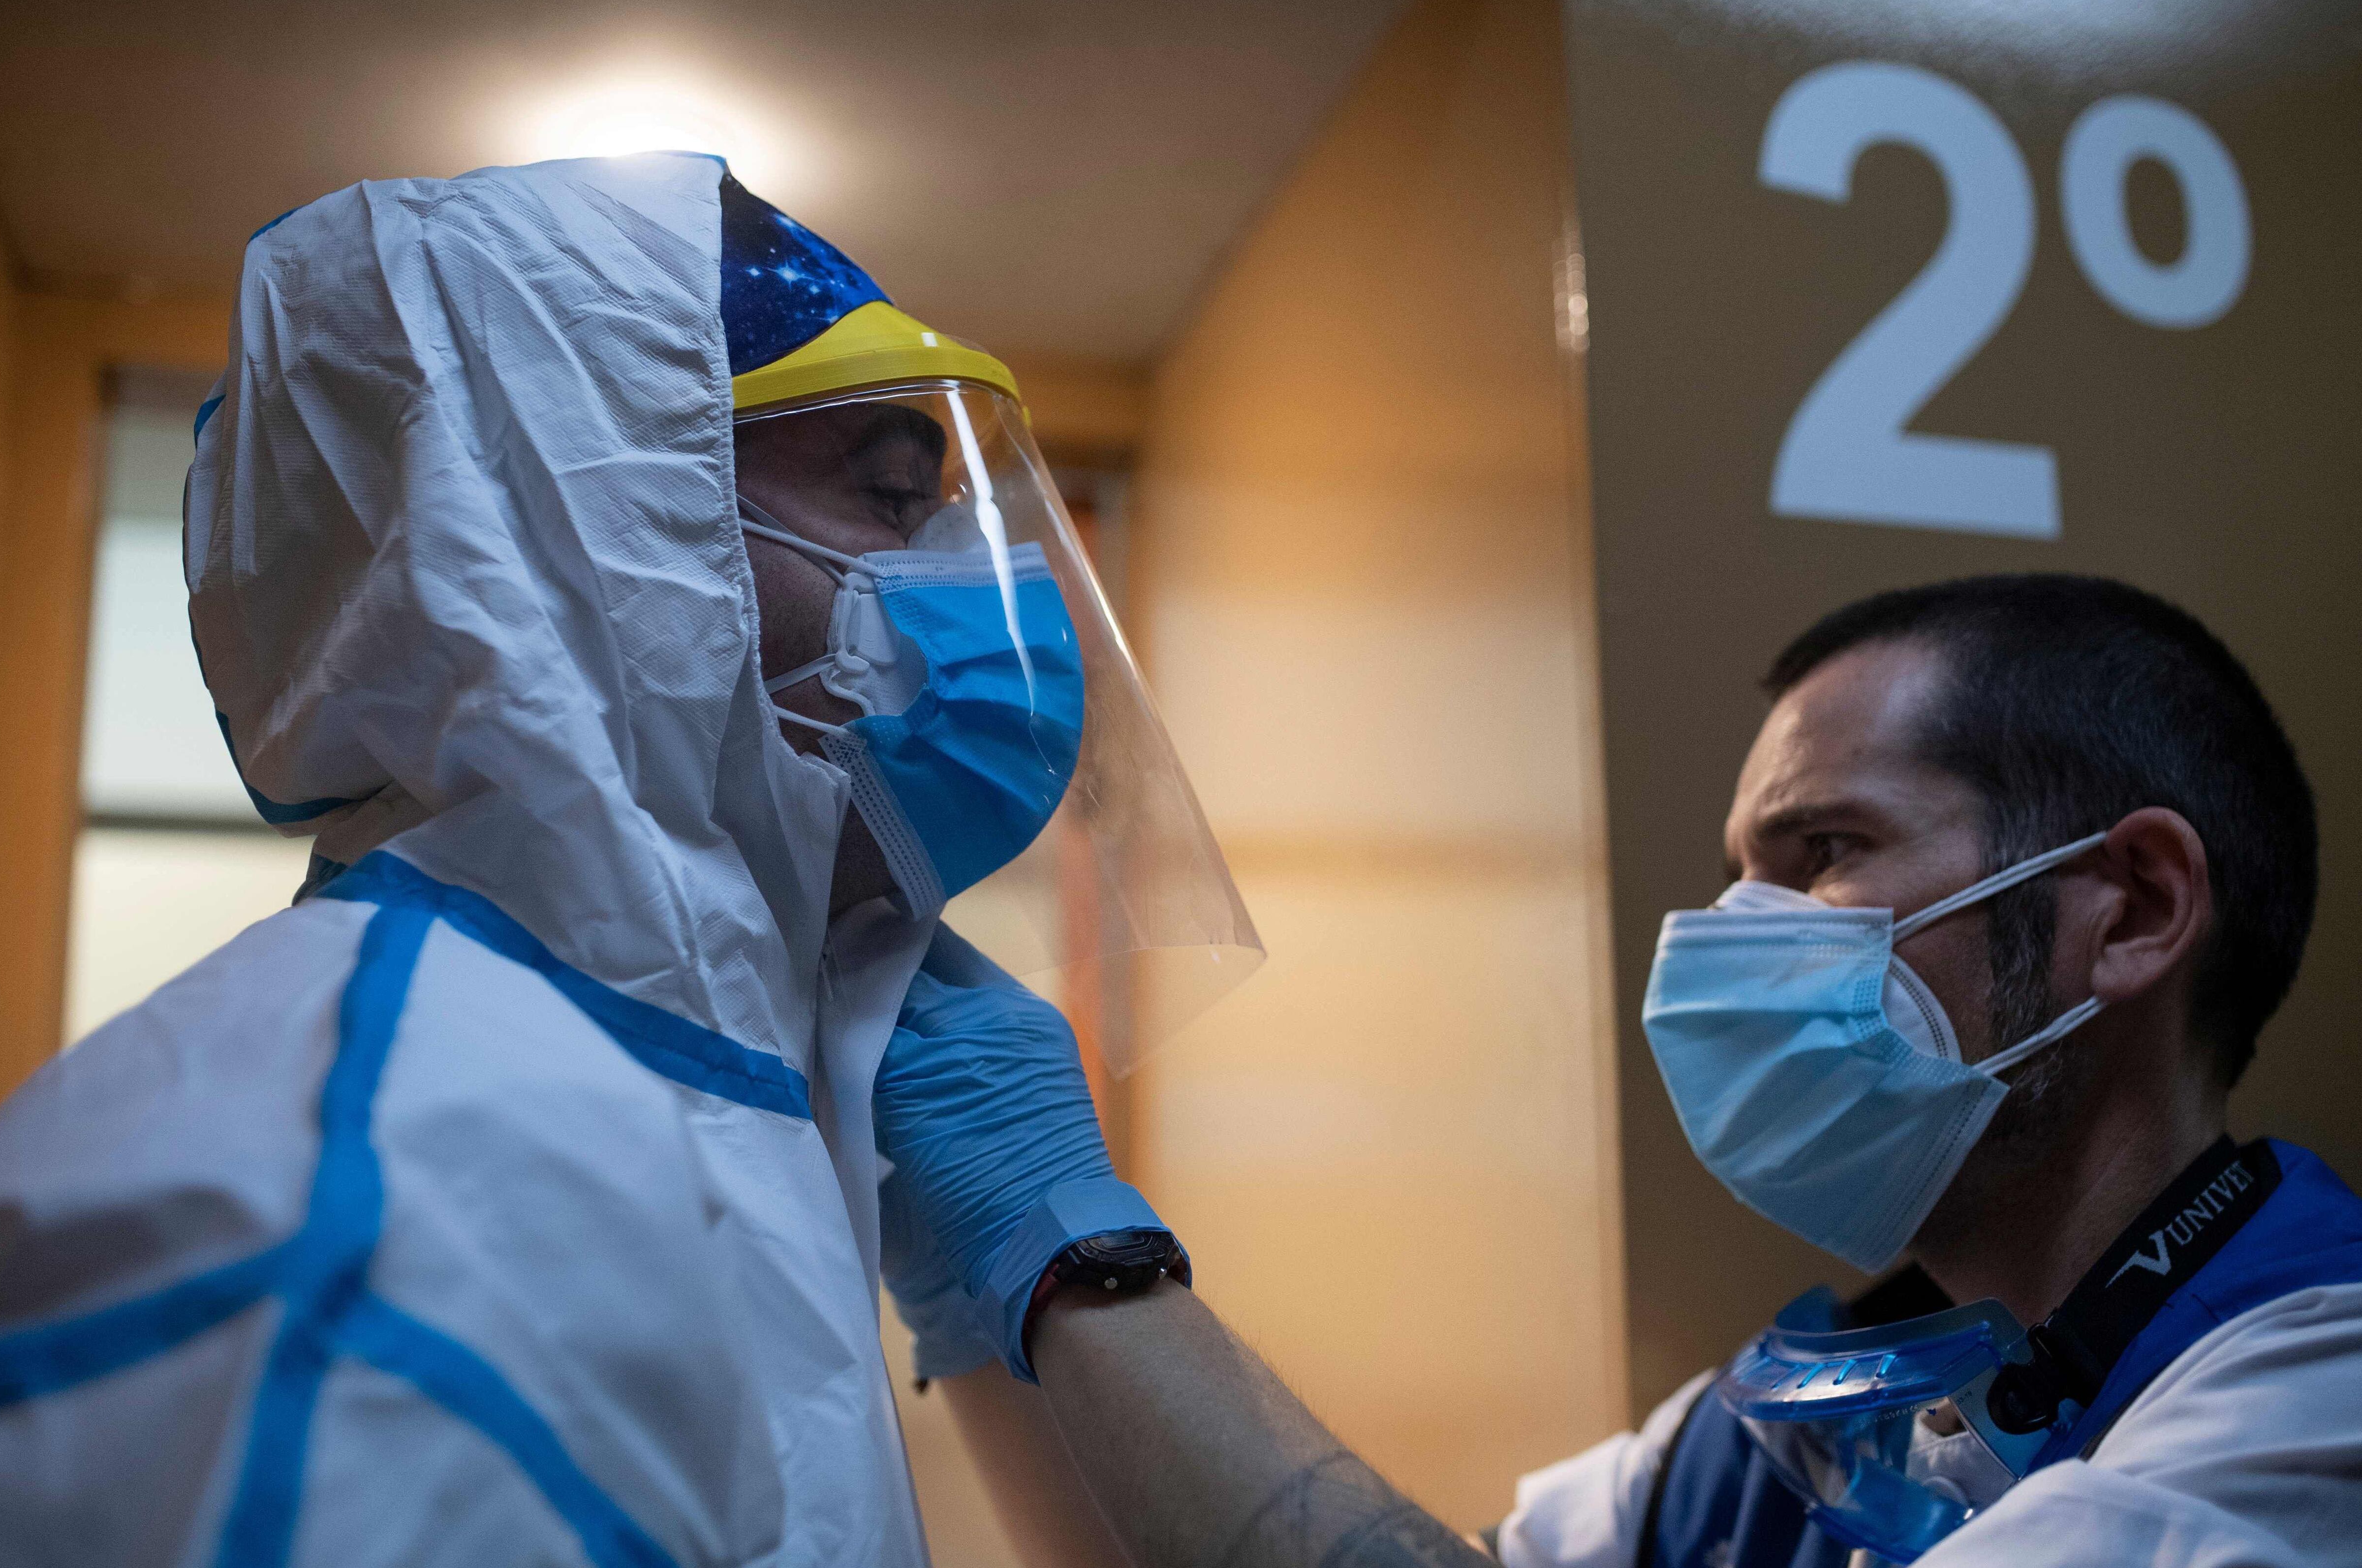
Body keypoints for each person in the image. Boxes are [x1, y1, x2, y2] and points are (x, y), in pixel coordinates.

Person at [0, 152, 1243, 1564]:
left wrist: (1030, 1287)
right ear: (614, 537)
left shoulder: (666, 1106)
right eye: (896, 499)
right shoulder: (382, 1204)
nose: (975, 582)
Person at [873, 575, 2362, 1567]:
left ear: (2140, 909)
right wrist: (984, 1300)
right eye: (1735, 875)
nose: (1726, 936)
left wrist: (1076, 1242)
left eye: (1824, 852)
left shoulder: (2312, 1402)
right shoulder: (1769, 1442)